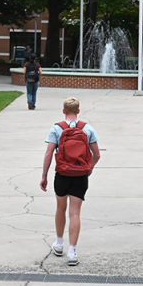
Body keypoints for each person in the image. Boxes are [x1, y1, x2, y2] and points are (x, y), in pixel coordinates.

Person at [41, 97, 101, 266]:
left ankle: (59, 244)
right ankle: (72, 252)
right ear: (78, 111)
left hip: (62, 174)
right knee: (75, 213)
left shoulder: (56, 129)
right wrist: (89, 168)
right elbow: (97, 154)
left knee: (61, 208)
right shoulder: (87, 129)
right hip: (80, 175)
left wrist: (44, 175)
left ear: (63, 111)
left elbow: (48, 154)